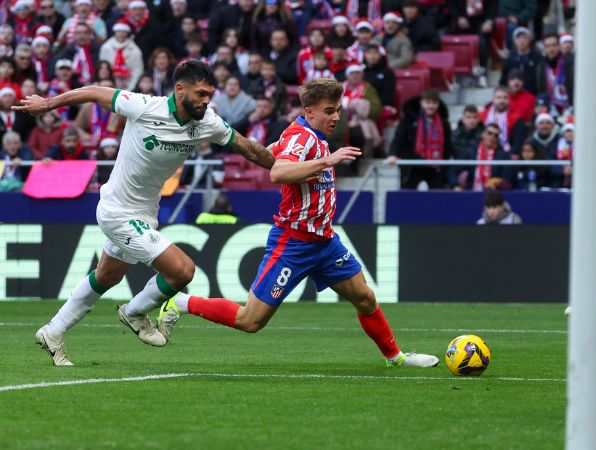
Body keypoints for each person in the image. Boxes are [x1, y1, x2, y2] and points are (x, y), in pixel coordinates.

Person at [157, 77, 439, 369]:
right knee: (250, 321)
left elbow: (272, 152)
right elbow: (278, 173)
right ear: (310, 112)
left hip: (325, 242)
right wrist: (327, 162)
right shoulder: (303, 138)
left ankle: (396, 357)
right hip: (293, 243)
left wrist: (298, 157)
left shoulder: (304, 136)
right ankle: (180, 303)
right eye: (329, 110)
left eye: (338, 110)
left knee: (365, 297)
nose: (336, 117)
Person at [14, 60, 276, 366]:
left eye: (209, 94)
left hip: (145, 212)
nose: (206, 100)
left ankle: (53, 331)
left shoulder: (208, 122)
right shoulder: (143, 106)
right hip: (117, 210)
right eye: (201, 93)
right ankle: (134, 312)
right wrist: (48, 104)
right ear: (180, 90)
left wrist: (284, 167)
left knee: (106, 276)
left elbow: (247, 147)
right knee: (182, 271)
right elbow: (95, 91)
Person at [388, 90, 452, 189]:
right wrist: (393, 154)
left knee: (438, 197)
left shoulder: (444, 123)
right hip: (412, 165)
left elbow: (447, 145)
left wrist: (446, 164)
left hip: (435, 166)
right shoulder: (408, 119)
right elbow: (399, 138)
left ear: (438, 104)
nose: (431, 106)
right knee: (407, 197)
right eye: (428, 102)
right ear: (421, 103)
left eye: (434, 103)